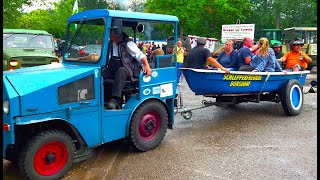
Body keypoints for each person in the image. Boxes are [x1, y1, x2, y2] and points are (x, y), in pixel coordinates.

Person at [104, 29, 152, 109]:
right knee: (100, 75)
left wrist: (147, 65)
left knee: (121, 70)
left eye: (109, 31)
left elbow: (140, 55)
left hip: (127, 70)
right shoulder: (111, 44)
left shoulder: (128, 44)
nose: (108, 34)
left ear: (115, 33)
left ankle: (115, 99)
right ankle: (103, 100)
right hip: (113, 70)